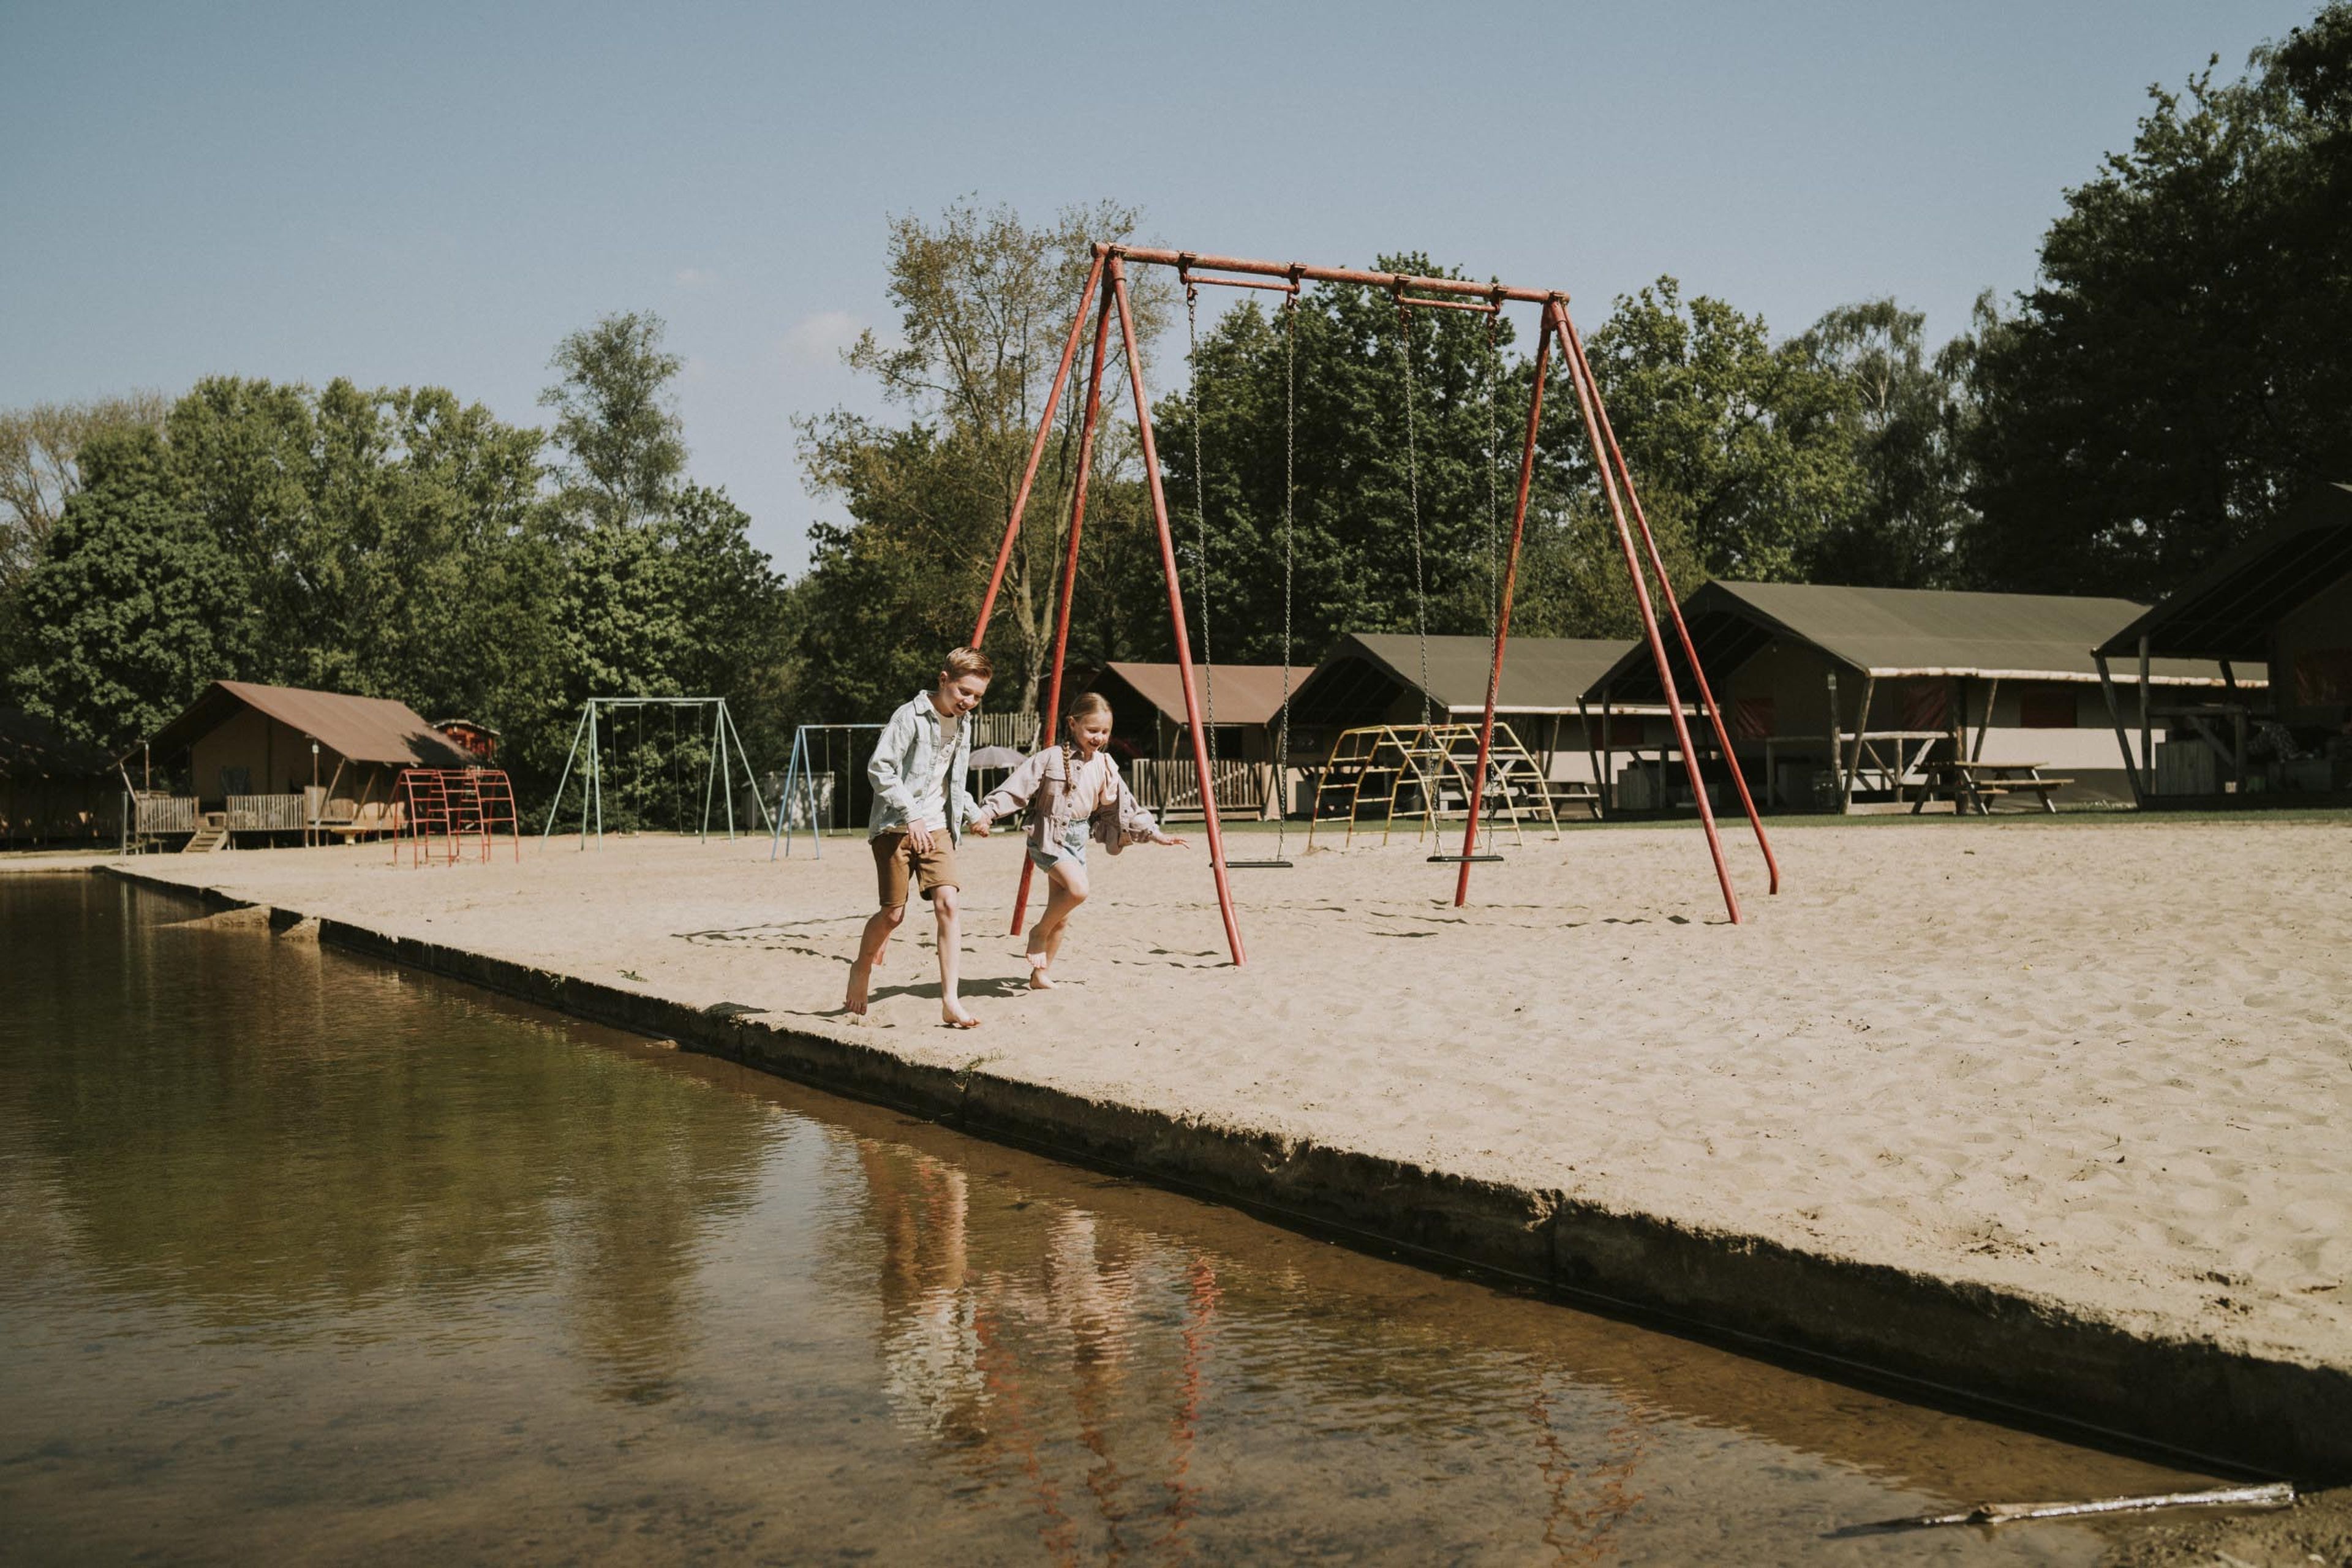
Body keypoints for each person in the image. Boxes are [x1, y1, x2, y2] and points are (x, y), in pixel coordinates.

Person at [970, 692, 1185, 990]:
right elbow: (1016, 789)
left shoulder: (1105, 765)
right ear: (1073, 724)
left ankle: (1040, 975)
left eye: (1105, 732)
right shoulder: (1050, 759)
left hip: (1077, 839)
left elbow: (1127, 805)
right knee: (1079, 890)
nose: (1099, 737)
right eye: (1092, 730)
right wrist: (986, 814)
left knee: (1063, 916)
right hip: (1048, 838)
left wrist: (1155, 834)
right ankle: (1037, 933)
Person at [845, 647, 993, 1028]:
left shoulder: (964, 724)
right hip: (895, 826)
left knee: (949, 905)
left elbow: (949, 778)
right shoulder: (908, 717)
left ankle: (950, 1001)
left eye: (977, 696)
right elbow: (879, 769)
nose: (969, 702)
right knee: (893, 914)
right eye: (964, 692)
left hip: (937, 826)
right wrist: (910, 814)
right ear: (943, 680)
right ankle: (862, 966)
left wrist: (973, 814)